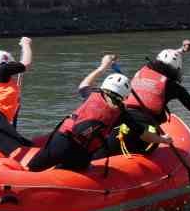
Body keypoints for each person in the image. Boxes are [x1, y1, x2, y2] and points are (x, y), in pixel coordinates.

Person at [27, 73, 173, 173]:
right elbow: (144, 135)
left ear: (104, 87)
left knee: (31, 169)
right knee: (75, 168)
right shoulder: (121, 114)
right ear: (125, 96)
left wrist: (103, 66)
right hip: (80, 154)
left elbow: (83, 84)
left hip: (60, 141)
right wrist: (163, 139)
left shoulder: (92, 95)